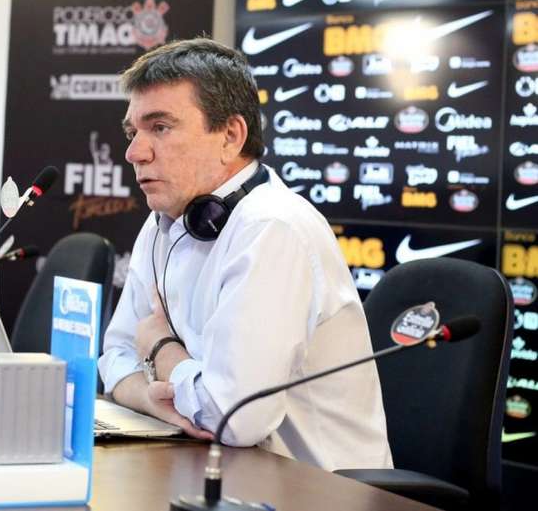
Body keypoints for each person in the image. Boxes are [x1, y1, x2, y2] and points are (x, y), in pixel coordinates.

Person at [97, 38, 392, 471]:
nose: (134, 152)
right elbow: (115, 355)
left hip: (317, 492)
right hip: (219, 470)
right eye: (133, 131)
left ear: (230, 137)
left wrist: (161, 347)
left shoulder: (272, 227)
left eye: (160, 127)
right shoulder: (164, 221)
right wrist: (150, 398)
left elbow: (234, 418)